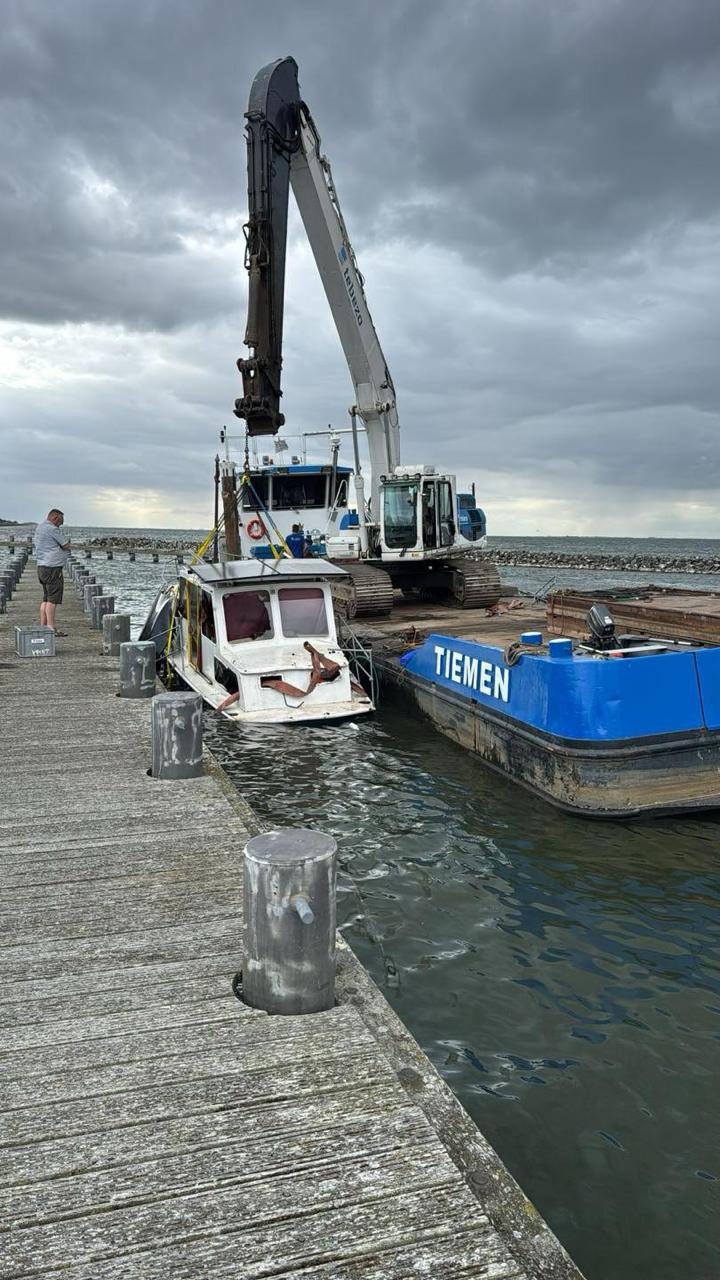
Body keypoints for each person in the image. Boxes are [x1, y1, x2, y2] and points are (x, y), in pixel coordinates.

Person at [34, 508, 70, 635]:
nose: (61, 524)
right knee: (53, 599)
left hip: (42, 566)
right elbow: (65, 545)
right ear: (55, 518)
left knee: (46, 598)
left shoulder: (40, 527)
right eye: (60, 521)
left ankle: (43, 626)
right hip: (53, 568)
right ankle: (50, 628)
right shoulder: (52, 529)